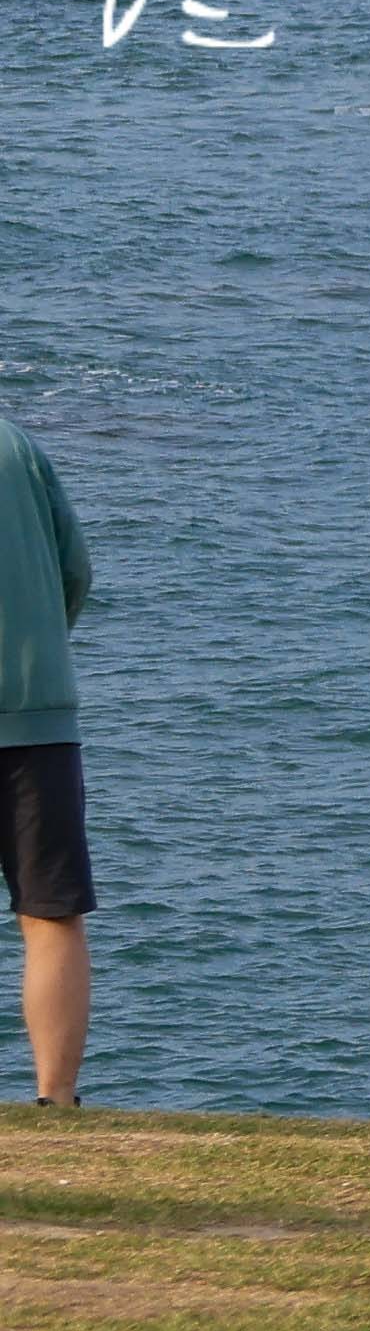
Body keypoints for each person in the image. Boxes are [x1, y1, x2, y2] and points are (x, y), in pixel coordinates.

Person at [0, 405, 86, 1109]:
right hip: (38, 716)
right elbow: (74, 571)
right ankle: (57, 1102)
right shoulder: (19, 446)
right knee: (50, 914)